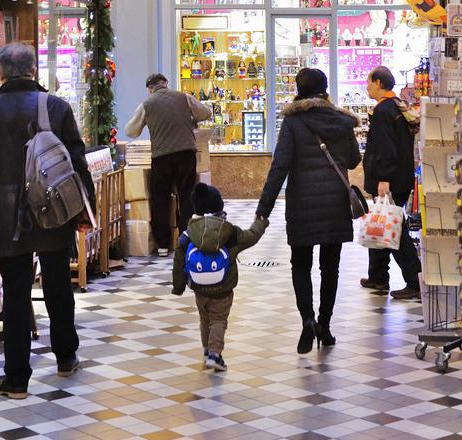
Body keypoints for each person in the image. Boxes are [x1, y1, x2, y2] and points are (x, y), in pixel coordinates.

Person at [0, 43, 96, 400]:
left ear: (1, 71)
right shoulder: (56, 107)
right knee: (58, 286)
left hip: (4, 217)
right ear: (35, 71)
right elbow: (78, 165)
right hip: (54, 211)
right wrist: (86, 212)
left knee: (16, 294)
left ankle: (17, 378)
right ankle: (66, 356)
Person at [256, 67, 361, 353]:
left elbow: (280, 167)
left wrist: (263, 208)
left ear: (299, 91)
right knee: (331, 268)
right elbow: (353, 160)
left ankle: (307, 320)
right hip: (335, 205)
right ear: (325, 89)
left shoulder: (292, 122)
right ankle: (325, 327)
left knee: (301, 264)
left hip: (302, 205)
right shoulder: (342, 121)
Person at [172, 182, 267, 371]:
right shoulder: (229, 233)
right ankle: (215, 355)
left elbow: (178, 259)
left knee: (205, 319)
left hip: (199, 288)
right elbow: (251, 236)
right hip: (223, 289)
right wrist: (260, 222)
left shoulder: (189, 233)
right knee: (218, 320)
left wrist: (179, 286)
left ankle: (207, 350)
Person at [125, 73, 212, 256]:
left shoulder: (147, 105)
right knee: (187, 197)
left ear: (150, 89)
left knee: (161, 200)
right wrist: (192, 119)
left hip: (161, 157)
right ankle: (187, 240)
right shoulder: (184, 97)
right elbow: (206, 112)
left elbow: (130, 131)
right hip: (186, 154)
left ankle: (163, 245)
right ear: (166, 84)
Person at [361, 65, 421, 300]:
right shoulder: (397, 106)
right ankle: (378, 276)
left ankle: (414, 280)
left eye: (369, 82)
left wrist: (383, 178)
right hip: (401, 177)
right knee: (380, 221)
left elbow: (386, 147)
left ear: (378, 82)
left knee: (396, 229)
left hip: (390, 180)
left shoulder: (385, 110)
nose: (367, 87)